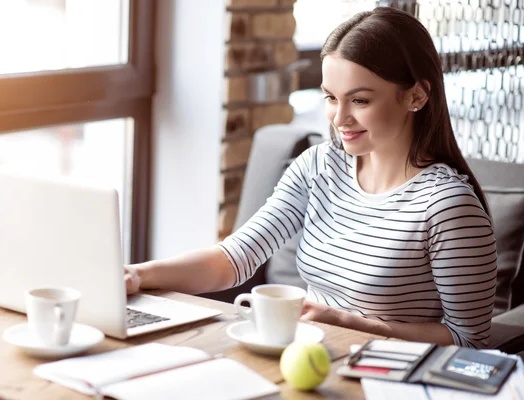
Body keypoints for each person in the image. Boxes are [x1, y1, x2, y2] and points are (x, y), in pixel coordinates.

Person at [125, 7, 497, 349]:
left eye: (360, 100)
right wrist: (138, 275)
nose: (339, 118)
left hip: (386, 378)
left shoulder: (447, 206)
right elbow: (234, 258)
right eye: (331, 97)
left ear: (415, 96)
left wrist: (355, 324)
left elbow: (470, 341)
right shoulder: (319, 165)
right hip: (309, 361)